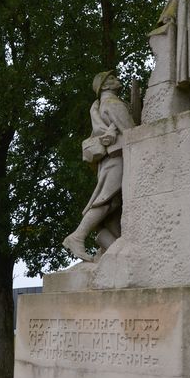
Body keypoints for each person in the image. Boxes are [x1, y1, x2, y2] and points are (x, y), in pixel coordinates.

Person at [63, 71, 134, 262]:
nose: (117, 79)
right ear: (103, 86)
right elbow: (133, 133)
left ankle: (106, 242)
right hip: (117, 158)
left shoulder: (101, 106)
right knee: (106, 198)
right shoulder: (113, 104)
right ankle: (77, 236)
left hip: (111, 159)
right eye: (111, 78)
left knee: (114, 202)